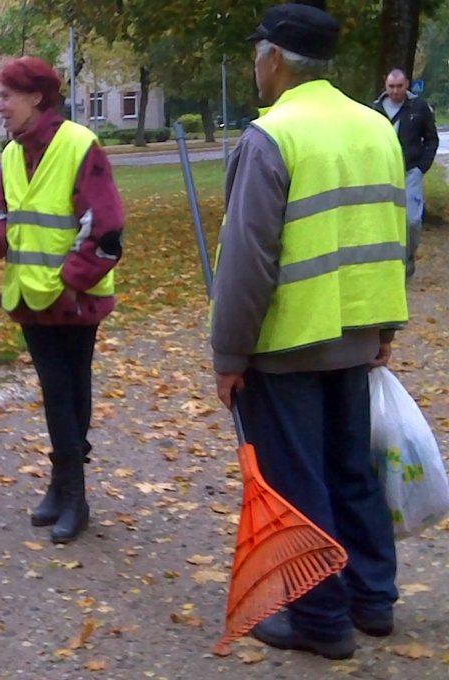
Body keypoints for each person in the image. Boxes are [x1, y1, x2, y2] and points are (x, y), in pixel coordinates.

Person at [212, 3, 409, 660]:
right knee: (353, 470)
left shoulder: (271, 136)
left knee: (299, 481)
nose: (253, 66)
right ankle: (372, 599)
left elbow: (245, 262)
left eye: (255, 54)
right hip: (356, 335)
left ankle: (321, 620)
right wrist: (383, 326)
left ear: (274, 58)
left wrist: (228, 353)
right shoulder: (373, 127)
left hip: (288, 343)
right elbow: (390, 234)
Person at [0, 56, 124, 544]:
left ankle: (73, 494)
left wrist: (72, 283)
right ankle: (65, 488)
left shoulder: (79, 145)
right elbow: (3, 214)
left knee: (69, 389)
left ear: (38, 98)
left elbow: (106, 228)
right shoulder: (10, 155)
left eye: (6, 97)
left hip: (73, 300)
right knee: (58, 390)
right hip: (31, 297)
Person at [373, 68, 439, 279]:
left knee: (411, 220)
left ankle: (408, 256)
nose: (395, 91)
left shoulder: (419, 107)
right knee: (382, 219)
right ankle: (387, 262)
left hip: (411, 171)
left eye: (399, 86)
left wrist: (422, 168)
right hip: (382, 172)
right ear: (385, 85)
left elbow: (431, 139)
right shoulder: (374, 109)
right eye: (391, 86)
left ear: (407, 84)